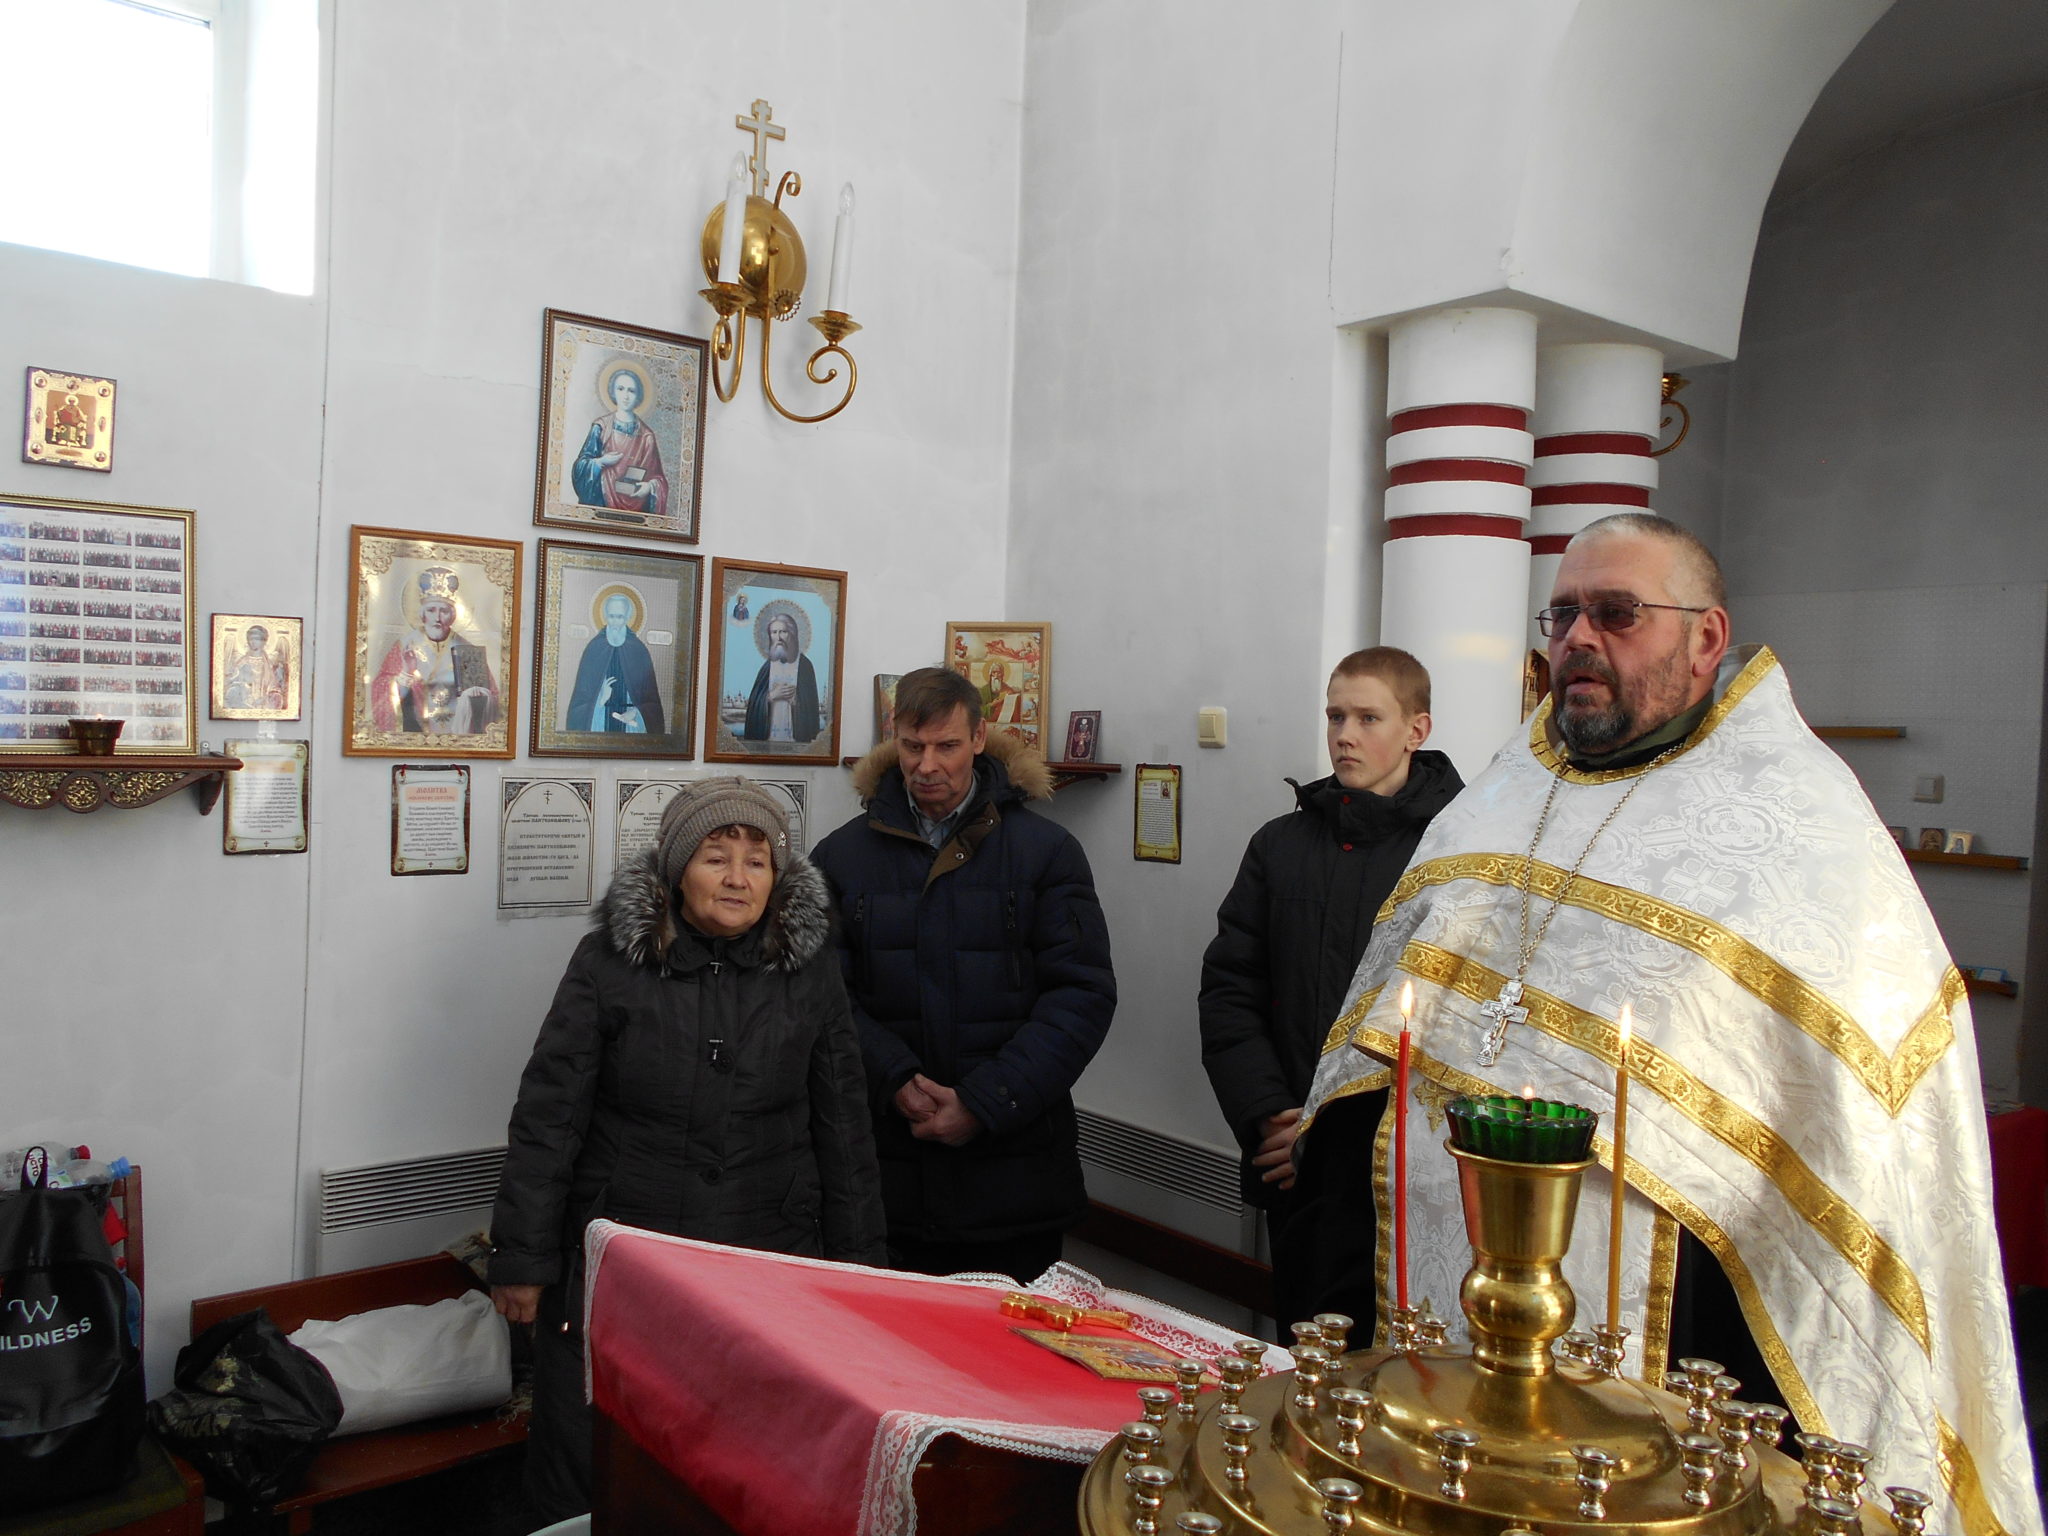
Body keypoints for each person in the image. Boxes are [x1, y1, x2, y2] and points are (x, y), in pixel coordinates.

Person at [1300, 513, 2036, 1533]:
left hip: (1671, 1319)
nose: (1577, 639)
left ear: (1705, 637)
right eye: (1562, 615)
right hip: (1424, 1297)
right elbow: (1383, 1025)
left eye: (1616, 613)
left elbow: (1843, 1140)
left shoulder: (1802, 826)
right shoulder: (1498, 799)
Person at [488, 778, 885, 1522]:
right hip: (625, 1263)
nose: (737, 878)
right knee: (594, 1466)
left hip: (764, 1265)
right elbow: (549, 1116)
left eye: (757, 861)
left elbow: (845, 1130)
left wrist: (861, 1274)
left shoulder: (810, 973)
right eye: (715, 857)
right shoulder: (609, 962)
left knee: (742, 1469)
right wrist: (521, 1259)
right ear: (677, 869)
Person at [812, 666, 1116, 1283]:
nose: (927, 766)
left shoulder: (1046, 852)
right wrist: (894, 1079)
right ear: (894, 740)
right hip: (884, 1174)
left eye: (946, 746)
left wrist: (985, 1101)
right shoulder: (840, 857)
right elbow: (823, 995)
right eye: (912, 746)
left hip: (1013, 1178)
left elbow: (1081, 995)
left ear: (978, 738)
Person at [1199, 646, 1462, 1334]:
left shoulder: (1457, 851)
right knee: (1311, 1356)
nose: (1345, 734)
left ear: (1416, 729)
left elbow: (1464, 1015)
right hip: (1295, 1166)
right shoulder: (1280, 845)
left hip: (1411, 1170)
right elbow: (1231, 990)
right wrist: (1269, 1115)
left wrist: (1335, 1133)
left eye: (1368, 718)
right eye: (1335, 716)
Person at [367, 568, 499, 734]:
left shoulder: (467, 650)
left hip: (457, 735)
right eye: (431, 610)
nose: (437, 618)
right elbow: (381, 687)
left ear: (452, 615)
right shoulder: (404, 646)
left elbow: (492, 696)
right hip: (416, 731)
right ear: (422, 615)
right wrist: (406, 673)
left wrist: (478, 695)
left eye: (444, 611)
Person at [572, 365, 669, 519]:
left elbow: (659, 479)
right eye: (621, 389)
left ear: (638, 396)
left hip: (636, 508)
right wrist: (600, 462)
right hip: (602, 501)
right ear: (613, 392)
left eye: (631, 391)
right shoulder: (601, 427)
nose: (626, 396)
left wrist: (650, 487)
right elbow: (580, 467)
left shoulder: (647, 436)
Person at [565, 592, 664, 734]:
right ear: (605, 616)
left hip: (631, 727)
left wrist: (636, 712)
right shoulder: (594, 649)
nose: (615, 622)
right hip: (599, 722)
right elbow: (580, 702)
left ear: (627, 617)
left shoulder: (638, 650)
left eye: (620, 617)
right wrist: (601, 699)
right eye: (611, 616)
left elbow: (651, 702)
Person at [741, 609, 821, 742]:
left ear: (793, 634)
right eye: (774, 632)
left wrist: (796, 701)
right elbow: (754, 706)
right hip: (769, 738)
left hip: (795, 739)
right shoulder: (767, 668)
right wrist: (771, 696)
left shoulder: (805, 666)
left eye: (783, 632)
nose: (778, 638)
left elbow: (811, 706)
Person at [222, 624, 286, 712]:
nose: (253, 642)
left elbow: (274, 685)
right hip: (244, 702)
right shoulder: (241, 662)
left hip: (264, 703)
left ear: (264, 641)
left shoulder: (271, 664)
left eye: (257, 639)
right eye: (250, 639)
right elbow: (234, 682)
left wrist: (266, 697)